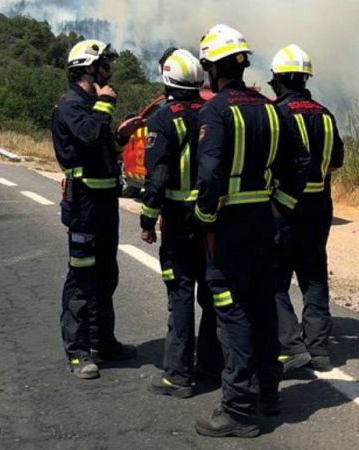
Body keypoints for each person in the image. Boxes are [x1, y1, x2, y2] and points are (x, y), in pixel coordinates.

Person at [193, 25, 310, 437]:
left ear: (213, 68)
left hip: (228, 228)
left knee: (232, 313)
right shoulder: (274, 109)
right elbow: (301, 163)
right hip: (265, 223)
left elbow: (209, 175)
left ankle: (238, 410)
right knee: (263, 306)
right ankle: (269, 395)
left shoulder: (215, 111)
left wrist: (204, 216)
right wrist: (282, 205)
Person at [139, 48, 223, 399]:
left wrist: (147, 219)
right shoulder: (212, 112)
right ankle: (211, 366)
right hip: (211, 218)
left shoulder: (163, 118)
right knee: (211, 293)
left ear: (167, 79)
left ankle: (177, 375)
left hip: (177, 219)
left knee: (181, 293)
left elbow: (156, 176)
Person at [52, 39, 137, 380]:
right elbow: (86, 135)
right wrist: (105, 104)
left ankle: (104, 342)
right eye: (104, 66)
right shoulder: (72, 105)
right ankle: (78, 351)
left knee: (106, 273)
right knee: (82, 277)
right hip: (84, 204)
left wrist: (121, 136)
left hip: (104, 203)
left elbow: (100, 146)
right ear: (88, 68)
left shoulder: (90, 105)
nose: (109, 72)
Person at [269, 45, 345, 373]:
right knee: (314, 275)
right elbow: (337, 161)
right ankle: (319, 349)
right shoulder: (325, 115)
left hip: (284, 209)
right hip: (319, 208)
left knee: (274, 279)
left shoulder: (278, 114)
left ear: (280, 80)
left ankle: (290, 345)